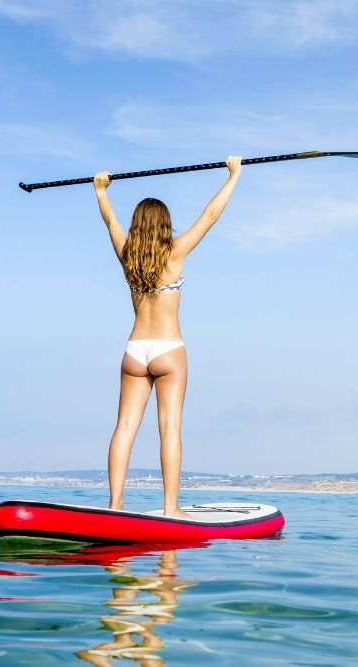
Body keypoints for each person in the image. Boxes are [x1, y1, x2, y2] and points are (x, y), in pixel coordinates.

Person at [93, 156, 242, 518]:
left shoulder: (127, 256)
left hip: (134, 351)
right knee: (170, 428)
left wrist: (101, 191)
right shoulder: (175, 254)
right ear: (164, 227)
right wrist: (234, 175)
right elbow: (210, 216)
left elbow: (110, 220)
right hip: (168, 350)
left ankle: (115, 505)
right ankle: (171, 507)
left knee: (124, 428)